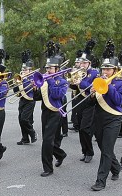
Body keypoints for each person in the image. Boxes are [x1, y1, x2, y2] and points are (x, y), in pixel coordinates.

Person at [90, 40, 122, 191]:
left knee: (106, 150)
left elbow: (119, 100)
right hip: (99, 118)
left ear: (115, 70)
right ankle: (116, 167)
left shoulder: (121, 84)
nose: (105, 72)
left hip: (113, 119)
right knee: (102, 146)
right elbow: (90, 104)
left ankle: (100, 181)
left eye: (109, 69)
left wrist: (109, 86)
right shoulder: (98, 81)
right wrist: (92, 95)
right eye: (104, 69)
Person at [33, 41, 68, 177]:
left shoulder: (63, 82)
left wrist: (50, 81)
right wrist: (36, 88)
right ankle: (61, 154)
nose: (48, 71)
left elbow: (57, 95)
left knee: (47, 141)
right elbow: (37, 97)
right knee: (46, 140)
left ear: (57, 69)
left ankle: (48, 168)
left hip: (55, 112)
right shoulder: (45, 80)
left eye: (51, 69)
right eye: (47, 68)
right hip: (45, 111)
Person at [70, 39, 98, 163]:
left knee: (85, 128)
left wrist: (80, 82)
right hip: (80, 100)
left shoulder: (94, 73)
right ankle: (85, 150)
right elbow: (74, 87)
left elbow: (93, 86)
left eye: (84, 63)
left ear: (89, 63)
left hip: (90, 102)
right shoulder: (79, 72)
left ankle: (90, 151)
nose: (81, 65)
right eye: (80, 63)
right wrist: (72, 83)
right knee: (81, 128)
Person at [14, 50, 37, 145]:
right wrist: (17, 83)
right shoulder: (21, 78)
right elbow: (16, 91)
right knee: (21, 119)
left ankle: (32, 132)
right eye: (22, 70)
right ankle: (25, 138)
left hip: (30, 100)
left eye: (25, 70)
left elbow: (31, 89)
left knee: (25, 119)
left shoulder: (33, 78)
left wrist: (24, 79)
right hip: (22, 99)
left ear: (30, 70)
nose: (23, 71)